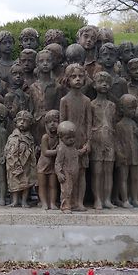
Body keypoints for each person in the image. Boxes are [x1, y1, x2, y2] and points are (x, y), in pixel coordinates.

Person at [59, 63, 92, 211]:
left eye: (80, 76)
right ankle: (68, 201)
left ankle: (79, 202)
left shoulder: (86, 101)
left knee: (82, 173)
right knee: (68, 173)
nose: (77, 79)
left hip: (82, 141)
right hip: (68, 143)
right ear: (68, 79)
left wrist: (88, 142)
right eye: (73, 76)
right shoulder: (64, 101)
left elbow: (88, 123)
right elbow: (62, 123)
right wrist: (62, 144)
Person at [89, 71, 117, 210]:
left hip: (110, 140)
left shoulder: (112, 105)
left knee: (108, 172)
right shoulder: (91, 104)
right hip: (96, 140)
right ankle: (98, 199)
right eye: (101, 81)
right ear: (94, 85)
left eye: (107, 82)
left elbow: (114, 124)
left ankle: (107, 199)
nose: (104, 84)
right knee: (97, 172)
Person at [115, 93, 138, 208]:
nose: (133, 111)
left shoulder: (134, 123)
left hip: (135, 154)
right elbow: (116, 141)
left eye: (134, 108)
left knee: (135, 178)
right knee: (123, 177)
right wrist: (119, 153)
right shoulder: (119, 125)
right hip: (124, 155)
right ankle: (125, 199)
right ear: (122, 109)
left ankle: (135, 199)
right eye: (130, 108)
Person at [5, 110, 36, 208]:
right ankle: (14, 201)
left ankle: (24, 201)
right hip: (14, 163)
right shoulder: (13, 136)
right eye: (20, 120)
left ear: (30, 123)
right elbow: (9, 151)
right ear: (16, 122)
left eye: (25, 120)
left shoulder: (30, 137)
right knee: (14, 182)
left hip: (26, 163)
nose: (22, 122)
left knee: (26, 181)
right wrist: (14, 163)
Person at [55, 121, 83, 214]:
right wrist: (59, 173)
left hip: (74, 172)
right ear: (61, 138)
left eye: (73, 137)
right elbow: (58, 163)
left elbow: (76, 153)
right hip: (66, 173)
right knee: (66, 190)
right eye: (68, 138)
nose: (71, 140)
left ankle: (73, 204)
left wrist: (83, 150)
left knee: (74, 189)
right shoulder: (61, 148)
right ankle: (65, 206)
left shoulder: (72, 147)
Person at [36, 110, 61, 211]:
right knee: (42, 185)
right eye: (49, 122)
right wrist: (58, 151)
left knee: (53, 185)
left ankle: (52, 203)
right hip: (43, 165)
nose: (52, 124)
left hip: (53, 166)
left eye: (55, 121)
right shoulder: (45, 137)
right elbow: (45, 152)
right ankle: (44, 203)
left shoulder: (60, 137)